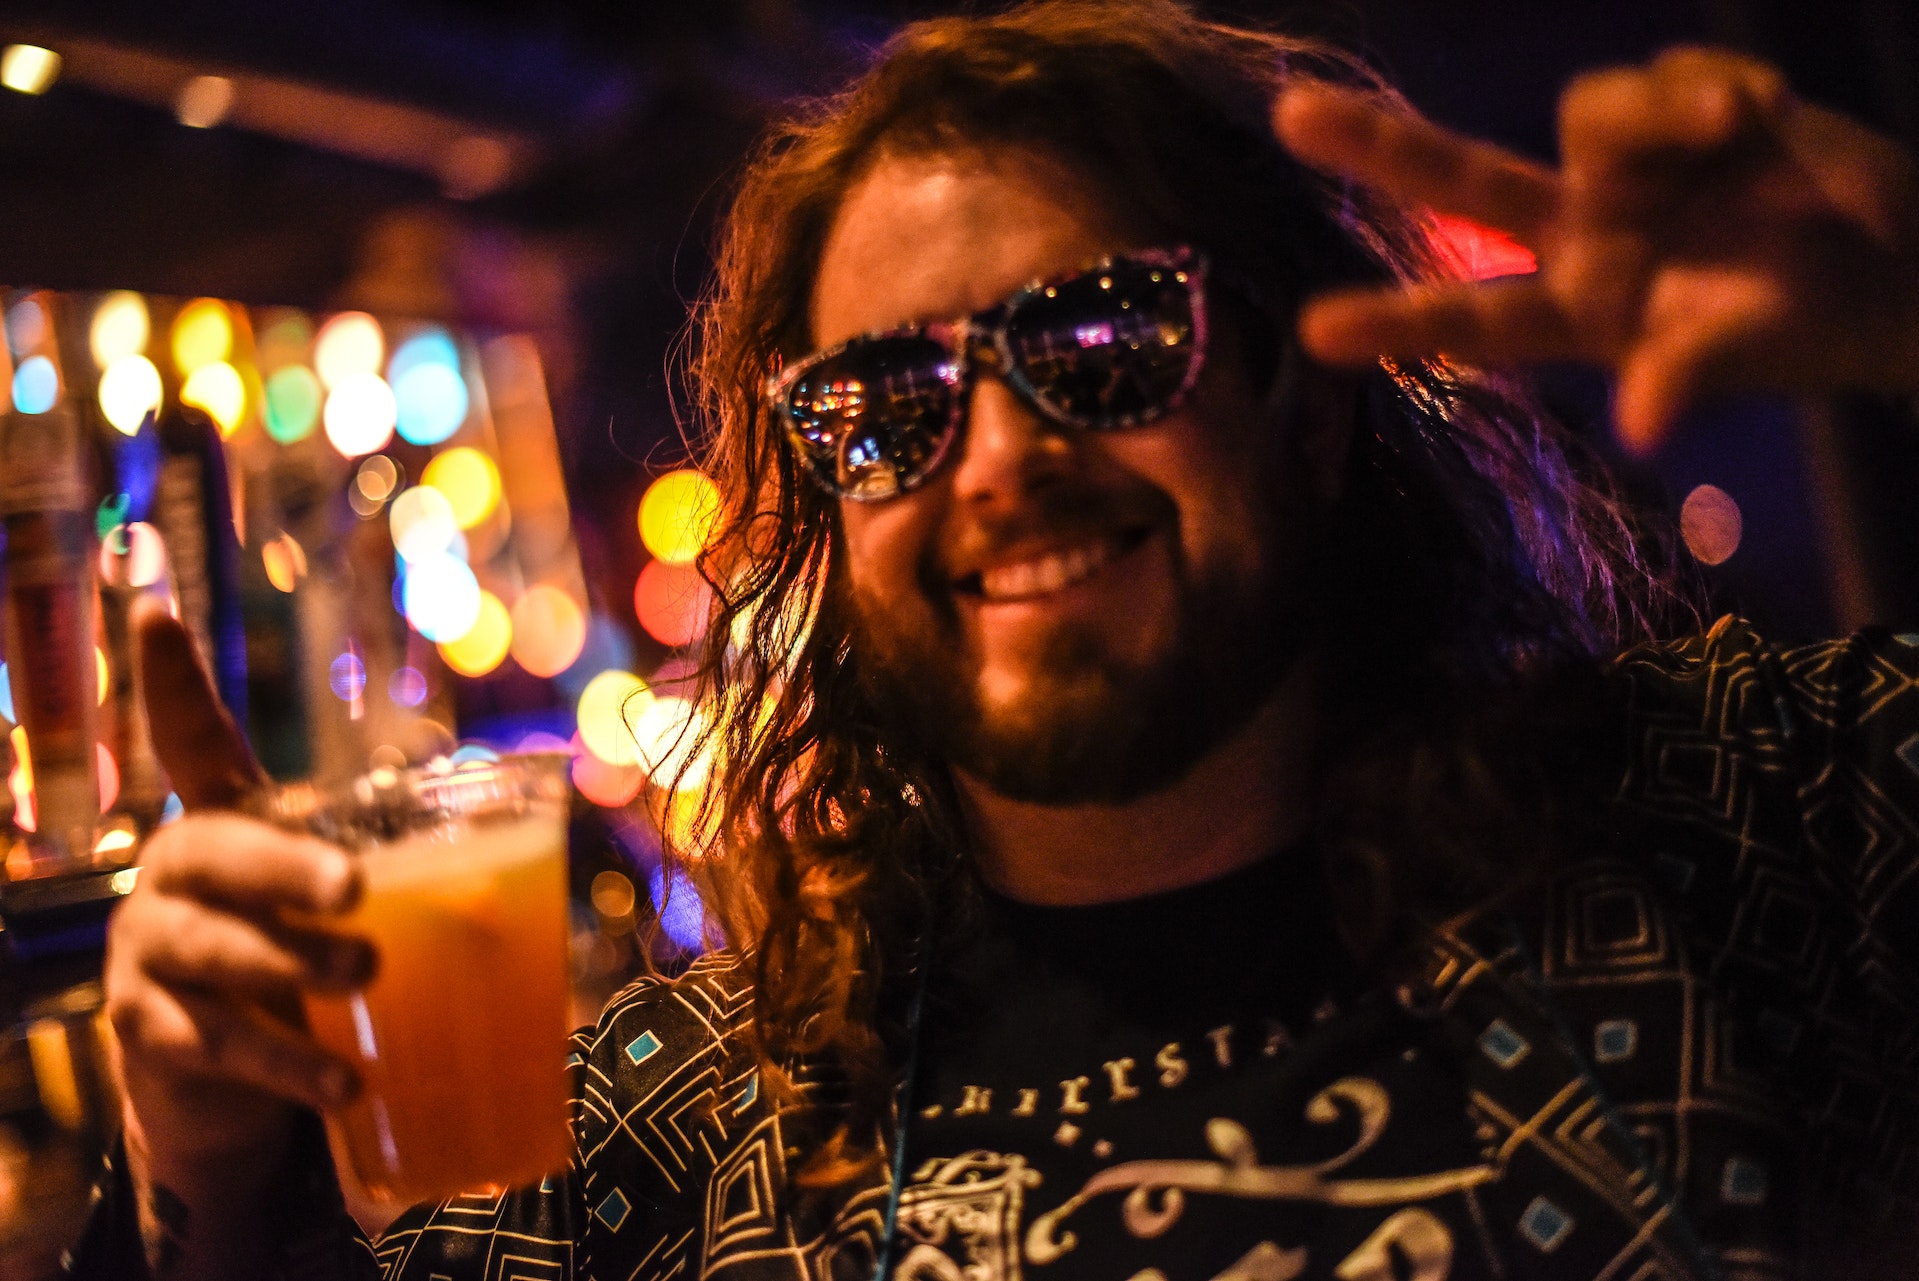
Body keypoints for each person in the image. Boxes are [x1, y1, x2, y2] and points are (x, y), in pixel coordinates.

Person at [64, 1, 1919, 1278]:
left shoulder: (1737, 833)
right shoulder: (691, 1137)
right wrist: (210, 1162)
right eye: (883, 404)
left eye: (1108, 341)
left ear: (1315, 398)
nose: (1005, 459)